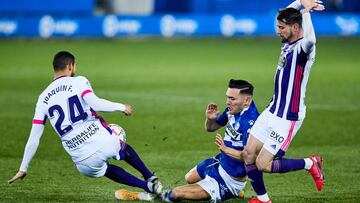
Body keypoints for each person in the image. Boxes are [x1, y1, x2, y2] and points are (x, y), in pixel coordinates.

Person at [8, 51, 162, 199]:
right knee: (117, 135)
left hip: (82, 161)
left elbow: (34, 138)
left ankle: (147, 187)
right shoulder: (79, 81)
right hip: (103, 142)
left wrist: (23, 168)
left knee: (105, 169)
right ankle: (150, 176)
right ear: (70, 66)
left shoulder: (42, 99)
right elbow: (95, 103)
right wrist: (122, 107)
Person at [116, 79, 259, 202]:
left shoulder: (252, 123)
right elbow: (211, 128)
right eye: (227, 97)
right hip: (219, 163)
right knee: (189, 178)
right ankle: (223, 192)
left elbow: (251, 157)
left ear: (246, 100)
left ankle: (141, 196)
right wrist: (209, 119)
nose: (228, 102)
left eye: (232, 99)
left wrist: (225, 149)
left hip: (230, 180)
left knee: (175, 194)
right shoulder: (233, 110)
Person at [241, 1, 325, 203]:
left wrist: (306, 12)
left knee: (263, 163)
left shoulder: (304, 48)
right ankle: (264, 200)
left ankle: (310, 163)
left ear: (295, 28)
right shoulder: (288, 42)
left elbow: (311, 38)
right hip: (273, 109)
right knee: (248, 153)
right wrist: (301, 1)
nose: (277, 31)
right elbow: (285, 11)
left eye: (281, 27)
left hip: (288, 116)